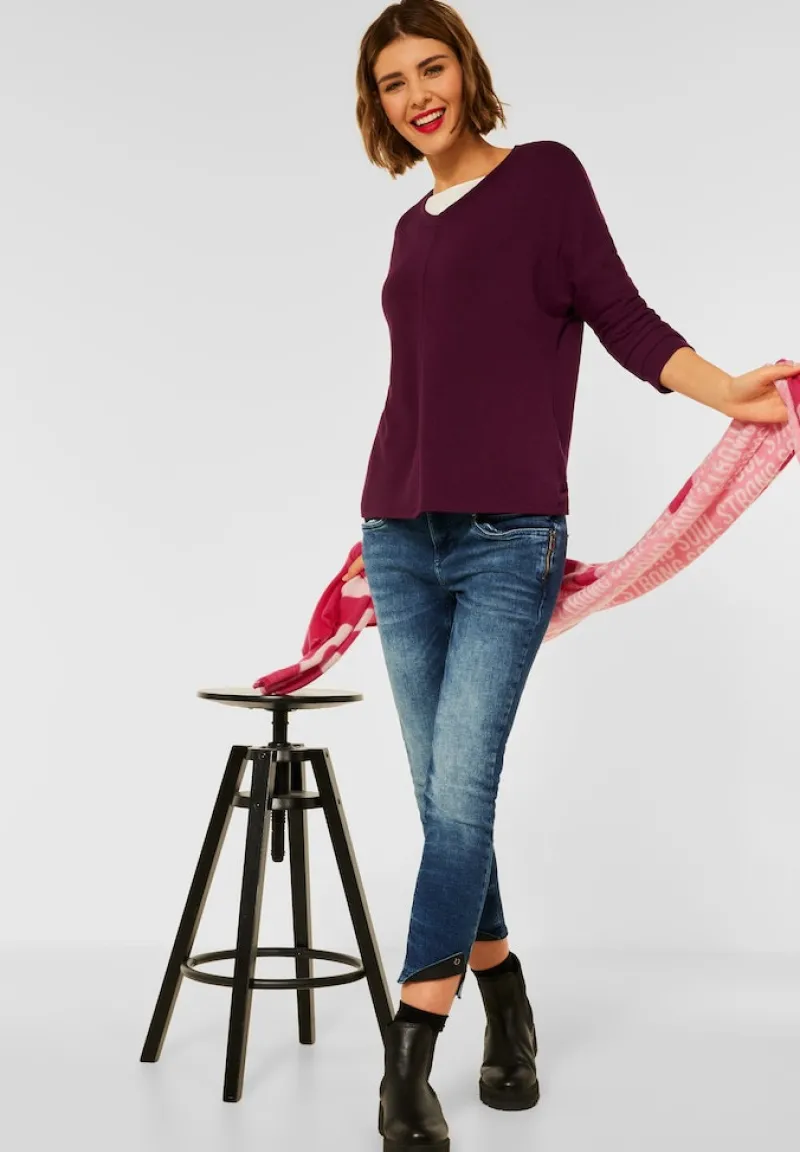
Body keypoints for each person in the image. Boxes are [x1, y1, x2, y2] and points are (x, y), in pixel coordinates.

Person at [341, 3, 793, 1149]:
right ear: (378, 105)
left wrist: (726, 390)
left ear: (465, 69)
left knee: (457, 796)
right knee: (443, 797)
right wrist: (382, 515)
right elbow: (419, 390)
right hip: (396, 535)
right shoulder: (407, 231)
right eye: (392, 82)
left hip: (508, 541)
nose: (417, 95)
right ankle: (505, 995)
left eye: (431, 68)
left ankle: (405, 1059)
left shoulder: (543, 178)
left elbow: (620, 316)